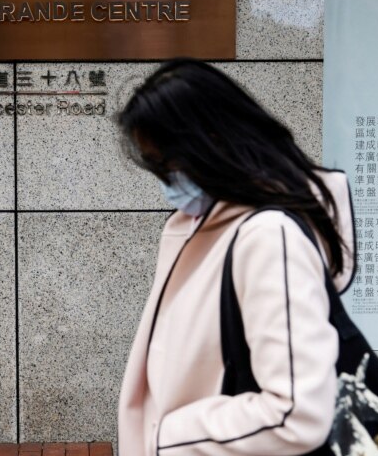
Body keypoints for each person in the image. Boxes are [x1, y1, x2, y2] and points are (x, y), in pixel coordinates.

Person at [116, 58, 357, 456]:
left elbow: (296, 413)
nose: (168, 183)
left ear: (212, 140)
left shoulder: (267, 238)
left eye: (167, 164)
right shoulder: (197, 227)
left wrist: (168, 436)